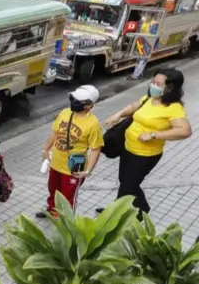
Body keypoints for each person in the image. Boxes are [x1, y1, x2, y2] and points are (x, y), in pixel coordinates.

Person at [98, 68, 191, 219]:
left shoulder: (174, 108)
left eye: (158, 84)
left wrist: (154, 135)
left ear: (170, 88)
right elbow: (136, 106)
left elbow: (185, 131)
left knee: (130, 185)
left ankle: (141, 210)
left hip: (144, 156)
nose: (153, 85)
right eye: (153, 81)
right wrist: (119, 114)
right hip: (128, 148)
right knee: (125, 182)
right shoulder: (151, 98)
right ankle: (117, 209)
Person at [36, 85, 104, 218]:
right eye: (73, 99)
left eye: (78, 101)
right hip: (56, 163)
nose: (73, 103)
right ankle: (52, 210)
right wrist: (45, 149)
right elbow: (55, 133)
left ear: (89, 105)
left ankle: (66, 220)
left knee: (68, 197)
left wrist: (88, 171)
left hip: (73, 168)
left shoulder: (93, 124)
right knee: (53, 190)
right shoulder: (65, 113)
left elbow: (96, 149)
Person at [128, 14, 158, 81]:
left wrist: (154, 47)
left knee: (142, 61)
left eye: (147, 15)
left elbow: (155, 37)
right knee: (139, 60)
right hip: (141, 42)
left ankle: (136, 76)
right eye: (145, 14)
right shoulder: (144, 21)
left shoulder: (154, 24)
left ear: (151, 16)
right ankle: (137, 74)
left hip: (147, 44)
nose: (145, 16)